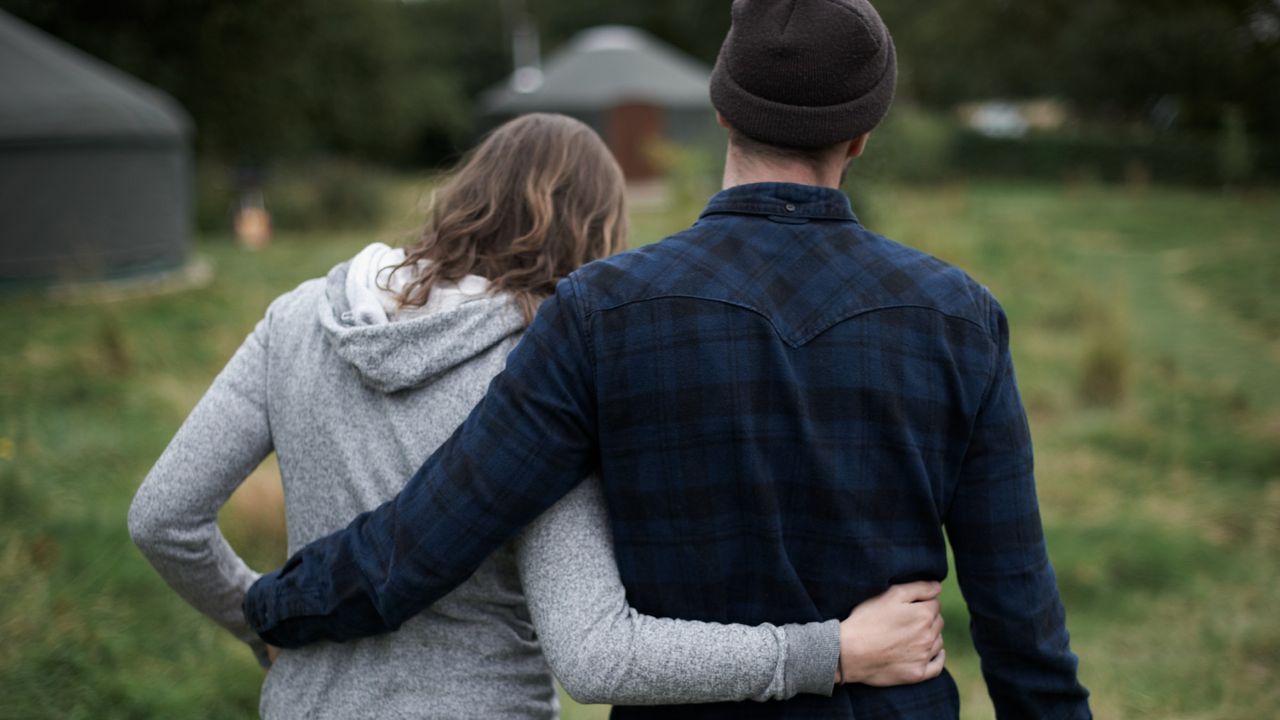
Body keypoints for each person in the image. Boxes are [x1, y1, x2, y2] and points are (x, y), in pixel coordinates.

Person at [244, 0, 1094, 715]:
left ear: (721, 111)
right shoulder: (960, 318)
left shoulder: (598, 314)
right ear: (863, 134)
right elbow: (1021, 624)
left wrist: (270, 605)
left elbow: (428, 535)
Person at [128, 113, 947, 719]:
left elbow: (162, 518)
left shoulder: (299, 318)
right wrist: (827, 651)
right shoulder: (547, 377)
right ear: (597, 237)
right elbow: (596, 654)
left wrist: (262, 625)